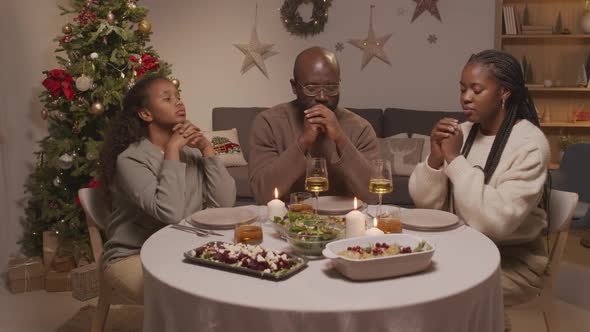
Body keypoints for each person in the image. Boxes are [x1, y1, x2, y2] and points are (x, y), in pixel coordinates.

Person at [409, 49, 550, 307]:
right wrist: (435, 159)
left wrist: (455, 160)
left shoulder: (529, 144)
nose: (466, 98)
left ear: (504, 92)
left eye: (476, 90)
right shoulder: (462, 133)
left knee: (439, 294)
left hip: (513, 262)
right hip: (461, 252)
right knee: (406, 278)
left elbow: (495, 222)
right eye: (462, 89)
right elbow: (427, 207)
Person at [99, 74, 236, 303]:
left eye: (178, 97)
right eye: (167, 98)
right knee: (189, 297)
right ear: (146, 114)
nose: (178, 102)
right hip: (134, 254)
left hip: (185, 249)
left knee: (232, 284)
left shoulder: (192, 152)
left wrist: (207, 150)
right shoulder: (130, 160)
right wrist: (172, 149)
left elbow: (224, 205)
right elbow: (170, 213)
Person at [248, 47, 379, 204]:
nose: (322, 97)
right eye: (311, 88)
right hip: (287, 222)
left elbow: (374, 196)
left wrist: (340, 139)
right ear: (294, 86)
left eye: (331, 87)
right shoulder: (268, 123)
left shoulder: (360, 128)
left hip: (345, 223)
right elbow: (262, 195)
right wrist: (303, 142)